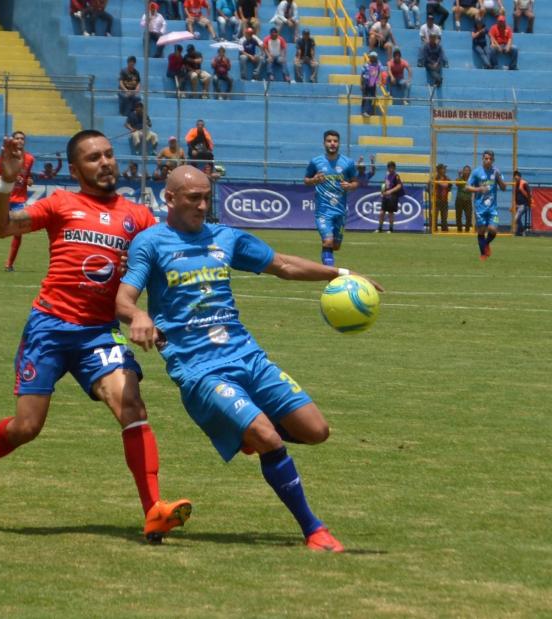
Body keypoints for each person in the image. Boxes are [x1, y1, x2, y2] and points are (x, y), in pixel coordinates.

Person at [116, 165, 384, 553]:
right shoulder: (151, 243)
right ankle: (314, 530)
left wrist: (338, 272)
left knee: (316, 430)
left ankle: (243, 429)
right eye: (194, 198)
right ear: (169, 199)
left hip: (247, 356)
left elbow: (283, 265)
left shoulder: (225, 237)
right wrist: (139, 315)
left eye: (207, 197)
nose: (203, 205)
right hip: (199, 369)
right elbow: (123, 298)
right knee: (267, 436)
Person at [0, 129, 193, 543]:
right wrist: (7, 183)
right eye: (94, 158)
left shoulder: (138, 216)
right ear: (75, 168)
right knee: (27, 427)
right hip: (49, 328)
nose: (106, 163)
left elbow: (169, 260)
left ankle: (154, 510)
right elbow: (2, 227)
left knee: (131, 404)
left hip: (98, 334)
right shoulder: (61, 203)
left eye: (109, 155)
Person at [304, 130, 358, 266]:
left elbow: (355, 182)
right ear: (324, 143)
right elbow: (306, 180)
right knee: (328, 241)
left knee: (335, 245)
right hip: (323, 212)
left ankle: (328, 263)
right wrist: (314, 180)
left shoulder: (348, 163)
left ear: (339, 143)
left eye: (335, 141)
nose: (332, 143)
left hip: (340, 211)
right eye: (329, 141)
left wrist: (350, 186)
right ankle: (330, 274)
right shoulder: (316, 162)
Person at [0, 130, 34, 271]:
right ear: (13, 141)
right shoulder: (5, 156)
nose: (20, 141)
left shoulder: (29, 159)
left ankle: (9, 264)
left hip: (19, 199)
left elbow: (26, 177)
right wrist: (7, 179)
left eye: (22, 139)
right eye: (17, 138)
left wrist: (29, 181)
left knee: (18, 232)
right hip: (5, 196)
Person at [466, 150, 507, 260]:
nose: (488, 160)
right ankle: (483, 254)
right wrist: (479, 188)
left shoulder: (496, 172)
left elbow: (504, 188)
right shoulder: (476, 172)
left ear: (493, 160)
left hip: (493, 208)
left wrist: (499, 179)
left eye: (490, 159)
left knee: (493, 230)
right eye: (486, 158)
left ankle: (486, 244)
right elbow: (467, 187)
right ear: (483, 159)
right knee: (481, 231)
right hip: (480, 208)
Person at [377, 161, 403, 233]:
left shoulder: (396, 176)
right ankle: (379, 228)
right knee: (382, 212)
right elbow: (384, 184)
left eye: (392, 167)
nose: (391, 169)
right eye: (389, 167)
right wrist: (383, 192)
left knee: (390, 213)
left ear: (394, 168)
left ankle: (391, 229)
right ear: (388, 168)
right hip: (385, 197)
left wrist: (390, 191)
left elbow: (399, 186)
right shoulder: (386, 175)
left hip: (392, 197)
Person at [360, 51, 384, 117]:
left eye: (374, 57)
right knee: (365, 97)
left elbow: (380, 72)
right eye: (372, 57)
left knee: (371, 97)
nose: (373, 58)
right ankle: (363, 111)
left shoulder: (378, 64)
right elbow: (362, 75)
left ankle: (368, 112)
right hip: (366, 81)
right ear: (370, 57)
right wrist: (361, 84)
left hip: (373, 82)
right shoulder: (366, 64)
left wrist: (380, 80)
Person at [511, 169, 531, 236]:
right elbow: (516, 195)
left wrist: (529, 203)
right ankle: (520, 232)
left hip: (524, 204)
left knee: (516, 218)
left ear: (519, 176)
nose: (515, 178)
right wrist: (515, 204)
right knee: (518, 219)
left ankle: (521, 230)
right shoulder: (516, 184)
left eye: (516, 176)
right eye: (514, 177)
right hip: (518, 205)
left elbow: (529, 194)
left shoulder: (524, 183)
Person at [454, 164, 473, 232]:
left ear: (470, 171)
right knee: (458, 216)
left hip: (468, 200)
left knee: (469, 216)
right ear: (463, 171)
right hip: (459, 199)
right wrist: (459, 175)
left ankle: (467, 230)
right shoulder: (460, 178)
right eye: (465, 170)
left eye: (468, 170)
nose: (466, 172)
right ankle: (459, 230)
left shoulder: (472, 179)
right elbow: (456, 183)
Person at [433, 163, 451, 232]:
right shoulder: (435, 178)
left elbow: (448, 187)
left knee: (444, 216)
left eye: (444, 169)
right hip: (437, 200)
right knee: (435, 216)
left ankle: (444, 229)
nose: (444, 170)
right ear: (439, 170)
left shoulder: (447, 178)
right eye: (443, 169)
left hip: (444, 200)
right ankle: (434, 229)